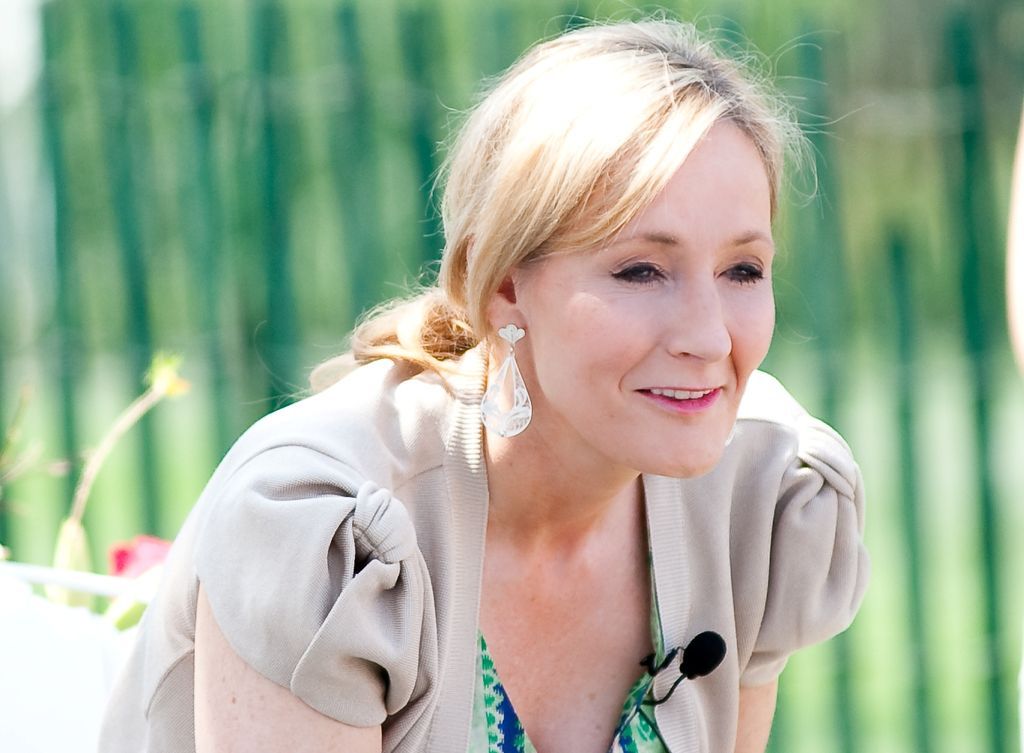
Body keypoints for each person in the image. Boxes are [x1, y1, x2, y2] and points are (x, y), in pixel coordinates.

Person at [100, 18, 869, 753]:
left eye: (743, 269)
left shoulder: (762, 495)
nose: (709, 338)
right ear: (500, 285)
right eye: (641, 270)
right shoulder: (323, 533)